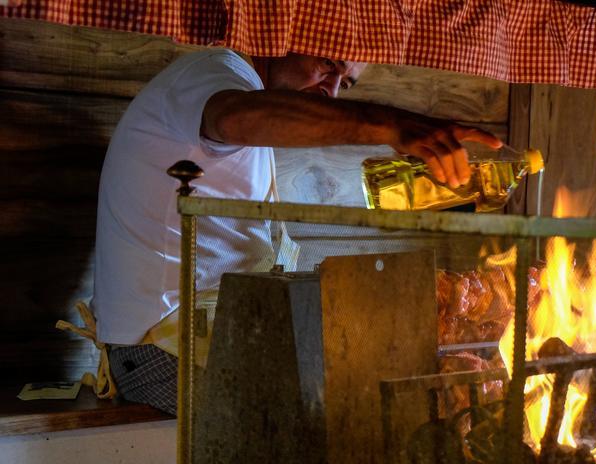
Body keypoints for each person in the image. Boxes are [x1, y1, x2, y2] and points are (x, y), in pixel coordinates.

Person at [89, 48, 501, 415]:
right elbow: (236, 117)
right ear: (281, 36)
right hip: (161, 351)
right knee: (359, 415)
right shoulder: (211, 72)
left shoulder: (243, 92)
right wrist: (390, 125)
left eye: (345, 81)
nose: (332, 91)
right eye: (326, 66)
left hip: (217, 338)